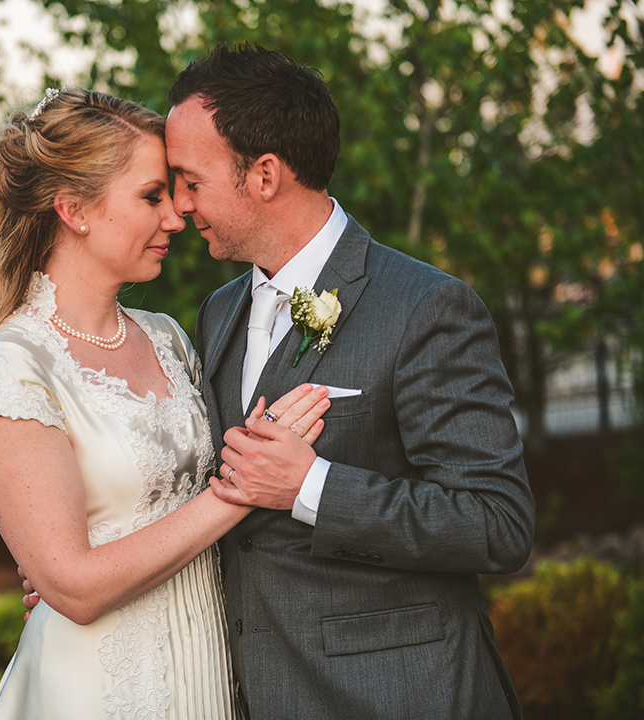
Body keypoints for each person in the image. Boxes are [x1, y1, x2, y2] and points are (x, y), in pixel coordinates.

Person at [164, 44, 536, 718]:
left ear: (266, 174)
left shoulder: (425, 306)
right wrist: (86, 570)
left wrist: (308, 486)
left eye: (191, 180)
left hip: (401, 695)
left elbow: (496, 523)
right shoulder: (219, 313)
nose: (179, 204)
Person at [0, 87, 330, 720]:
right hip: (100, 684)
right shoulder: (12, 363)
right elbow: (77, 590)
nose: (176, 216)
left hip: (207, 666)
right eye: (151, 196)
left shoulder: (169, 336)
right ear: (75, 210)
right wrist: (242, 489)